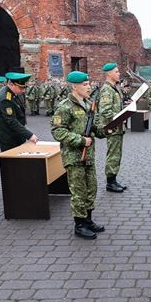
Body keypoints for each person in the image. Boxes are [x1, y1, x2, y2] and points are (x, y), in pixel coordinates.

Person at [51, 71, 108, 239]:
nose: (89, 87)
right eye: (85, 84)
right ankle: (79, 224)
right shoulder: (65, 106)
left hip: (88, 156)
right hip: (74, 157)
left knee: (91, 188)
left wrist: (108, 129)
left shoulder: (89, 104)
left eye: (88, 84)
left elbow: (96, 129)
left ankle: (88, 220)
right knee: (78, 191)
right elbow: (57, 131)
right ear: (74, 87)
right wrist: (80, 140)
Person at [97, 63, 128, 193]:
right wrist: (119, 118)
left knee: (117, 154)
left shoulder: (115, 88)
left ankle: (113, 180)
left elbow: (117, 107)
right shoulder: (107, 89)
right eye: (116, 72)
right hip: (113, 127)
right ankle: (110, 182)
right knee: (113, 155)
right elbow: (105, 111)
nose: (119, 73)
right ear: (109, 74)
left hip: (118, 127)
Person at [0, 72, 38, 151]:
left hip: (15, 134)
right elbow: (12, 121)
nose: (23, 91)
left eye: (24, 88)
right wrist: (29, 135)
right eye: (21, 88)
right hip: (7, 137)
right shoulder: (5, 98)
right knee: (10, 162)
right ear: (11, 84)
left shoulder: (13, 92)